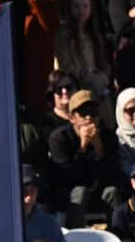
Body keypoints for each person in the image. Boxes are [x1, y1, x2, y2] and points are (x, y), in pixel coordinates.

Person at [47, 89, 117, 226]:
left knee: (112, 192)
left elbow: (112, 175)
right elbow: (66, 177)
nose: (89, 118)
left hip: (98, 192)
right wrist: (83, 148)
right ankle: (74, 240)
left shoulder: (108, 136)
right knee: (80, 191)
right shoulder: (59, 138)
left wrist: (99, 148)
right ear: (72, 117)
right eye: (83, 113)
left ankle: (116, 239)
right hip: (69, 195)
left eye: (94, 113)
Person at [21, 165, 66, 242]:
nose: (28, 198)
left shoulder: (49, 224)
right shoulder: (0, 223)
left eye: (32, 190)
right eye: (23, 191)